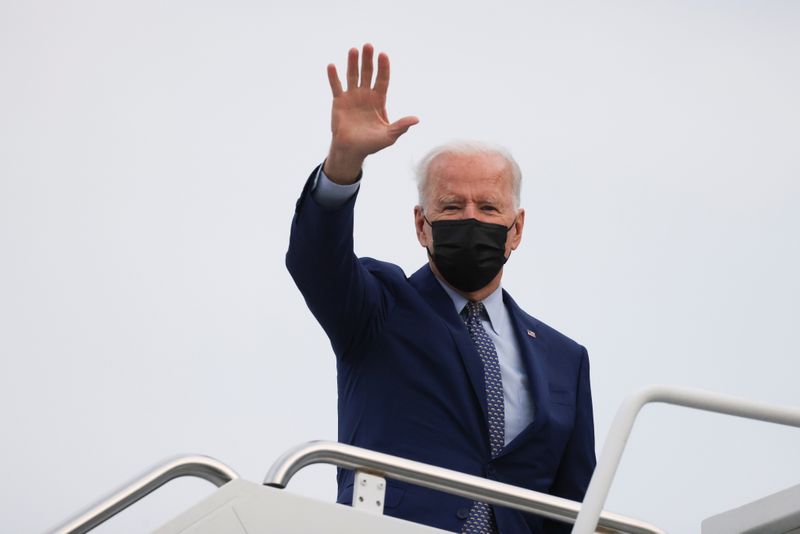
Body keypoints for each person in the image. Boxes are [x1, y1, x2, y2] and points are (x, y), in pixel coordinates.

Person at [286, 44, 595, 534]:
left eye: (488, 208)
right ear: (421, 224)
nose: (471, 218)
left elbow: (574, 504)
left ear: (516, 229)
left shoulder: (565, 359)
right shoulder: (378, 309)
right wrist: (342, 162)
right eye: (451, 206)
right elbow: (315, 261)